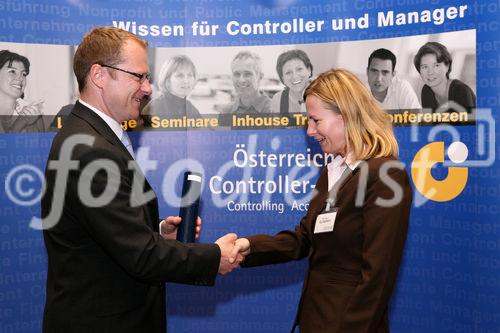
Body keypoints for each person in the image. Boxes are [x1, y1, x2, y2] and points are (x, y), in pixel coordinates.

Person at [41, 27, 240, 333]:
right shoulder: (88, 149)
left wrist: (156, 231)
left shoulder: (94, 136)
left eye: (148, 78)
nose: (148, 88)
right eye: (139, 76)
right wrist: (214, 257)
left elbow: (107, 231)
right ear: (99, 75)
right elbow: (142, 256)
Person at [232, 69, 412, 333]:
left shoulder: (386, 175)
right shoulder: (332, 171)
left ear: (346, 116)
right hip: (316, 320)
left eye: (316, 120)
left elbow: (378, 277)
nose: (310, 130)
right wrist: (248, 246)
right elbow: (305, 238)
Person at [414, 42, 476, 110]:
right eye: (425, 67)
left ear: (447, 66)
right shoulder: (427, 91)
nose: (430, 72)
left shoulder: (461, 90)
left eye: (436, 65)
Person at [142, 55, 202, 120]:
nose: (186, 81)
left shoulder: (190, 107)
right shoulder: (156, 106)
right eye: (180, 75)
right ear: (167, 80)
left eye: (190, 75)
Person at [0, 50, 45, 133]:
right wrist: (20, 123)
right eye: (12, 71)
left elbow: (42, 145)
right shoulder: (25, 117)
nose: (20, 78)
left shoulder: (33, 112)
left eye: (23, 74)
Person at [219, 50, 271, 116]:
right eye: (237, 74)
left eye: (247, 74)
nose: (241, 80)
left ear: (260, 77)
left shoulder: (275, 111)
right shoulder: (226, 112)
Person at [271, 49, 313, 114]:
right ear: (283, 78)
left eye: (299, 69)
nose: (295, 76)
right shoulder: (278, 100)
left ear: (309, 70)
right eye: (288, 73)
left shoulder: (323, 95)